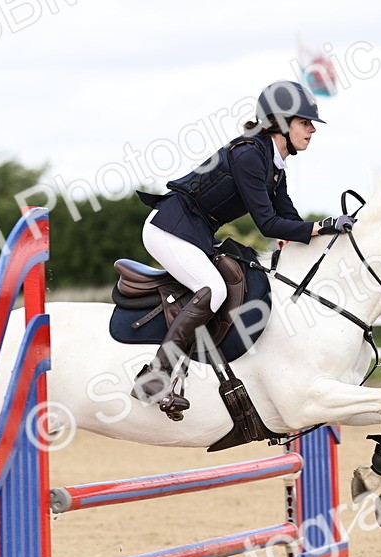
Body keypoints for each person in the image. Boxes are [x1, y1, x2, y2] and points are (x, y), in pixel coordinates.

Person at [133, 80, 355, 415]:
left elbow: (288, 218)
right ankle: (155, 375)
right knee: (213, 289)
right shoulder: (249, 154)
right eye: (305, 122)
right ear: (280, 123)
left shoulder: (274, 163)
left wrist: (329, 234)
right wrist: (322, 225)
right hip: (169, 228)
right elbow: (268, 224)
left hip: (195, 231)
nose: (312, 130)